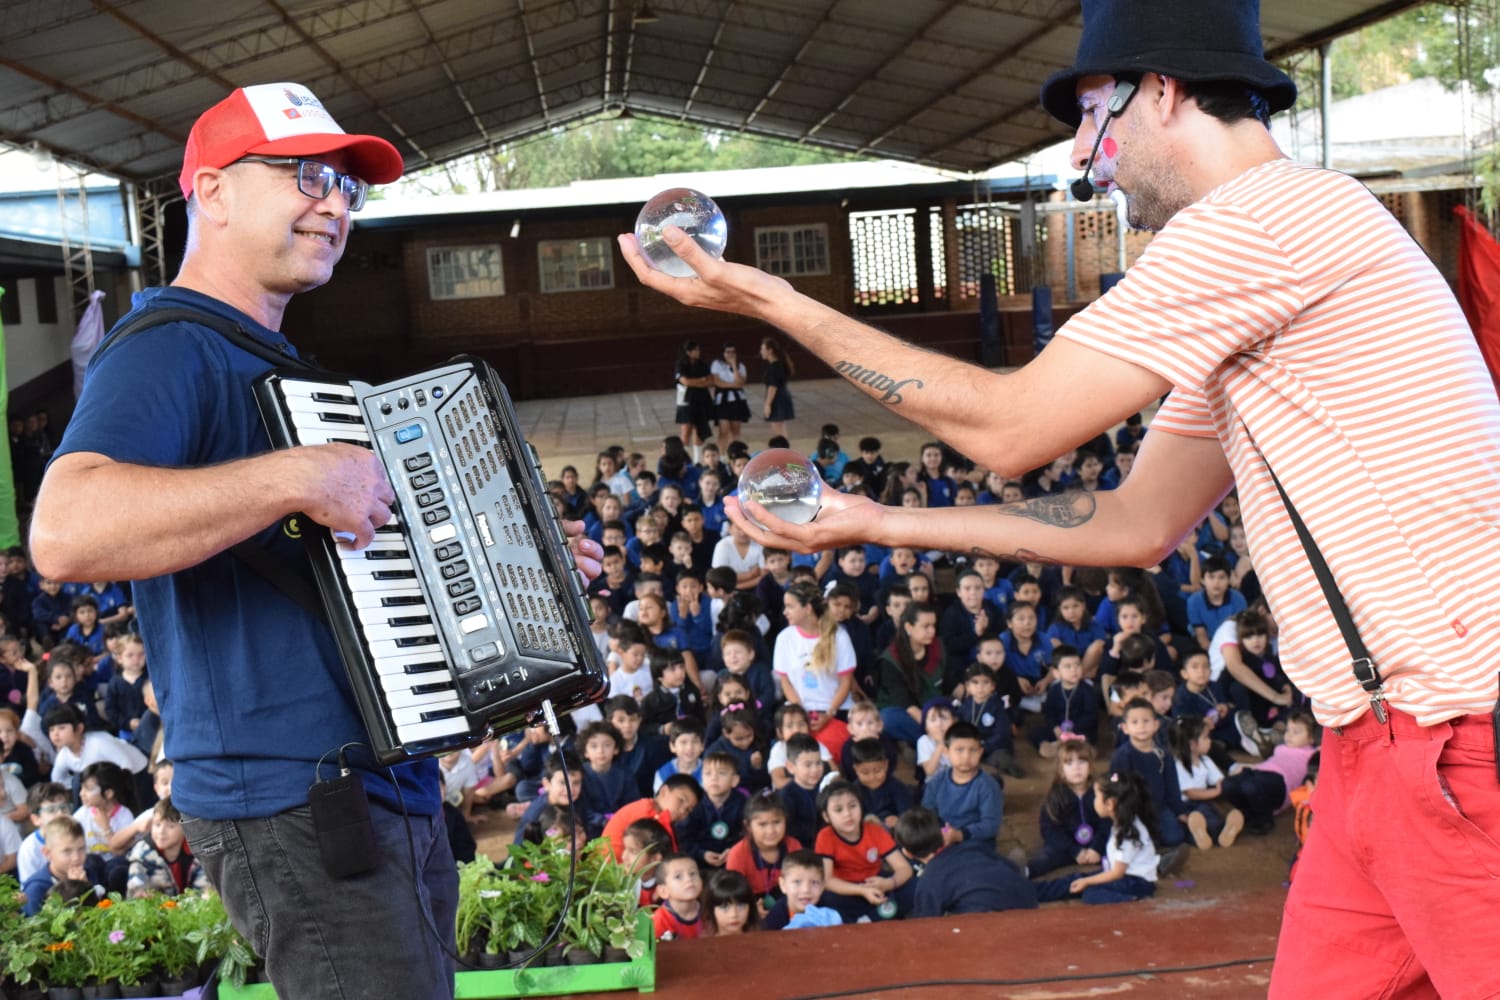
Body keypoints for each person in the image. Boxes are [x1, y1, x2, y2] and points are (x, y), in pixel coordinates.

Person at [624, 0, 1500, 983]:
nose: (1086, 155)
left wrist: (774, 301)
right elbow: (1138, 520)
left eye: (1092, 114)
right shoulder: (1263, 276)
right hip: (1376, 749)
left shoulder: (1262, 220)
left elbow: (1012, 429)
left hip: (1456, 740)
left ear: (1163, 90)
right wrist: (877, 520)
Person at [29, 82, 603, 1000]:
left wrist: (520, 571)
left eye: (346, 186)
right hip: (290, 799)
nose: (335, 204)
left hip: (376, 786)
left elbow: (348, 574)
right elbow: (64, 531)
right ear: (211, 191)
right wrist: (293, 477)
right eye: (304, 175)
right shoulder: (167, 347)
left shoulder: (278, 364)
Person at [1033, 771, 1160, 905]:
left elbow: (1117, 873)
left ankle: (1133, 902)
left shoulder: (1127, 832)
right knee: (1076, 879)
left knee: (1090, 893)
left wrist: (1087, 881)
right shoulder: (1121, 822)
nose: (1094, 801)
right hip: (1122, 876)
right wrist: (1085, 880)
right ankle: (1033, 891)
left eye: (1096, 797)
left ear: (1110, 804)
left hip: (1136, 883)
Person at [896, 806, 1037, 918]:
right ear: (944, 833)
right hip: (1028, 902)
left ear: (907, 853)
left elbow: (925, 923)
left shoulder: (928, 882)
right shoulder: (971, 846)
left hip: (991, 925)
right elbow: (1011, 867)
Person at [814, 779, 912, 922]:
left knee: (913, 887)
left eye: (853, 806)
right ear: (826, 816)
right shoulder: (825, 836)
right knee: (823, 896)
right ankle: (872, 918)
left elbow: (904, 868)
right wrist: (861, 890)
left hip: (876, 884)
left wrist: (888, 884)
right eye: (838, 810)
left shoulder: (875, 831)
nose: (847, 814)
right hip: (844, 890)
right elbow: (827, 880)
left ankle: (867, 919)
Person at [673, 340, 715, 459]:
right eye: (695, 350)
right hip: (686, 401)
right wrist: (701, 380)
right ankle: (685, 459)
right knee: (686, 431)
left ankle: (697, 460)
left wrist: (695, 382)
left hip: (701, 400)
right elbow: (685, 381)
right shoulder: (681, 364)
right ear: (688, 352)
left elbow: (710, 381)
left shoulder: (702, 364)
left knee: (699, 431)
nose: (698, 352)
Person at [651, 853, 705, 941]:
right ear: (663, 891)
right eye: (678, 876)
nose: (689, 879)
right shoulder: (658, 921)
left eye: (693, 873)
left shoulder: (710, 910)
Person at [710, 343, 751, 448]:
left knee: (736, 430)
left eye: (733, 352)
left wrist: (734, 365)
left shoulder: (741, 366)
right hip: (722, 400)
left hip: (736, 400)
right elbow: (717, 382)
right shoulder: (717, 364)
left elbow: (740, 382)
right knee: (723, 429)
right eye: (728, 352)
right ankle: (722, 454)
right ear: (723, 353)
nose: (731, 354)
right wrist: (733, 385)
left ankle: (735, 451)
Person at [759, 336, 795, 437]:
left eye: (763, 349)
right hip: (782, 397)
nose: (761, 352)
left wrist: (768, 404)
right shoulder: (779, 364)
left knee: (777, 430)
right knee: (780, 428)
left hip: (778, 399)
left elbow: (772, 387)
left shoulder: (775, 367)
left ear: (770, 350)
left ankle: (782, 446)